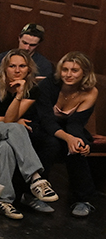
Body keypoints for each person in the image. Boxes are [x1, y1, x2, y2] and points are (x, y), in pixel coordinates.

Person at [0, 49, 59, 219]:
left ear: (29, 69)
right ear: (5, 68)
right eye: (12, 66)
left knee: (6, 148)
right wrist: (11, 123)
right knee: (17, 128)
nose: (17, 70)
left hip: (5, 133)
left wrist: (19, 95)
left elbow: (11, 118)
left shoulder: (31, 89)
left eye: (22, 66)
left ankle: (4, 200)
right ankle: (35, 178)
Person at [32, 52, 99, 218]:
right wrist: (68, 138)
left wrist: (79, 142)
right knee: (52, 144)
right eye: (65, 70)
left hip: (66, 128)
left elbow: (75, 123)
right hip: (40, 125)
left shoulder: (90, 92)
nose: (68, 75)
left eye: (74, 70)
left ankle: (82, 199)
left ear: (85, 72)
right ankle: (35, 192)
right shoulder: (48, 85)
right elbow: (46, 120)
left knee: (78, 147)